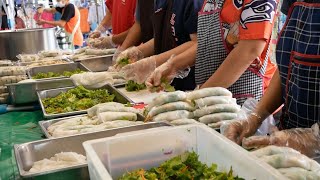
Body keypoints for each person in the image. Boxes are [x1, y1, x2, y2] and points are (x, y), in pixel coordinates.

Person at [222, 0, 320, 158]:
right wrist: (255, 118)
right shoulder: (294, 3)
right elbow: (288, 68)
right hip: (288, 147)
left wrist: (313, 138)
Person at [146, 0, 278, 105]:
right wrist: (173, 65)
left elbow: (249, 50)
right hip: (213, 98)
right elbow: (211, 41)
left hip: (246, 103)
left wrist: (199, 94)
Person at [117, 0, 204, 91]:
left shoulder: (192, 2)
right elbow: (163, 37)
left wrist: (153, 62)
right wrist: (138, 51)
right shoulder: (159, 2)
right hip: (165, 81)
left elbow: (197, 43)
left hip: (190, 83)